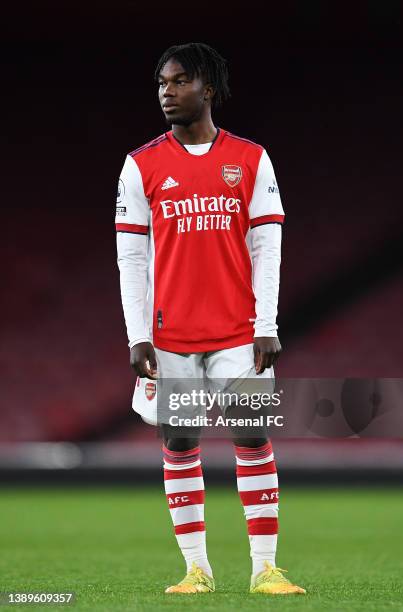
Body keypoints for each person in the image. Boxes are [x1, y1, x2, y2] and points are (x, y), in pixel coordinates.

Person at [115, 42, 305, 595]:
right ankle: (196, 568)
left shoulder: (250, 159)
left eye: (178, 82)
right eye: (161, 84)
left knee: (252, 436)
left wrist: (266, 324)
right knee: (179, 442)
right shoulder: (141, 165)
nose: (166, 93)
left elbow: (268, 246)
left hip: (239, 334)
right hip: (170, 337)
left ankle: (265, 568)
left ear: (209, 89)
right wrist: (137, 336)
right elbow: (130, 257)